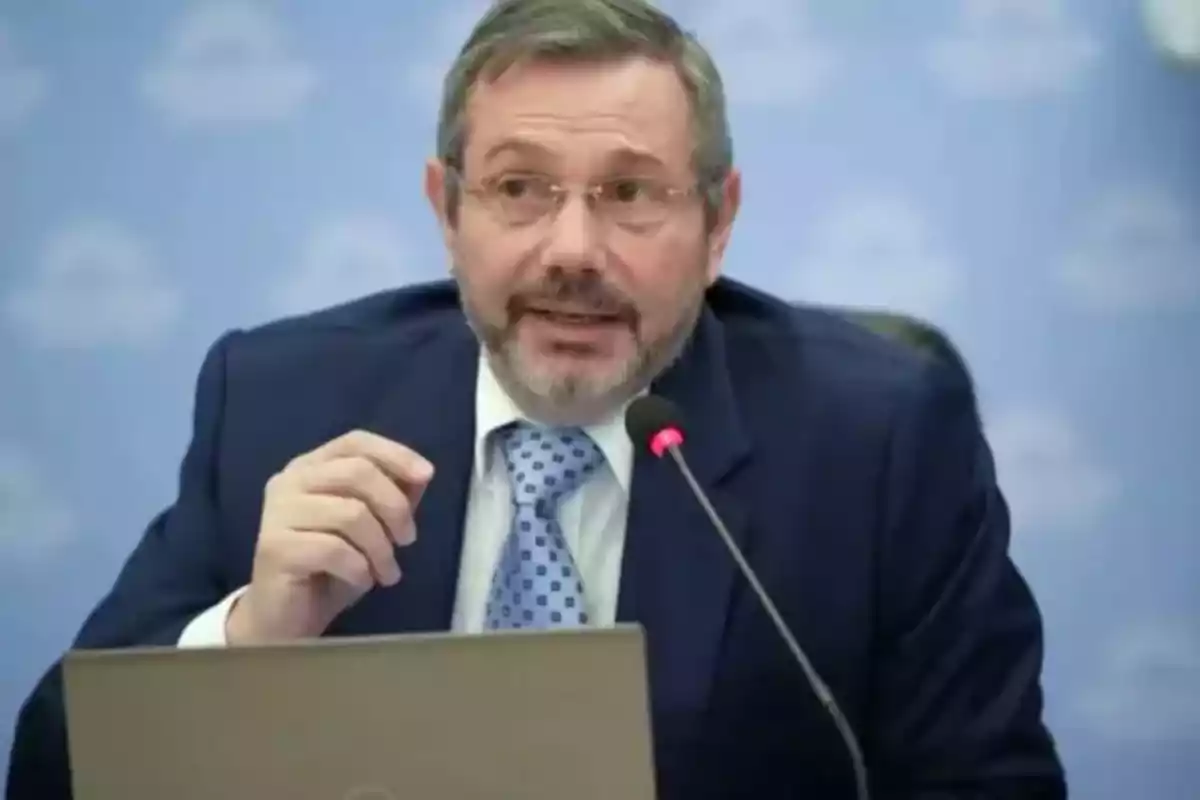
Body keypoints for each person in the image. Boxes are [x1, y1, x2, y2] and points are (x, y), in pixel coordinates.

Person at [5, 0, 1068, 797]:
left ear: (718, 222)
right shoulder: (283, 400)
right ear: (447, 209)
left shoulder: (876, 438)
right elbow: (52, 770)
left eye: (630, 192)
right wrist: (250, 638)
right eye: (519, 188)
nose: (572, 249)